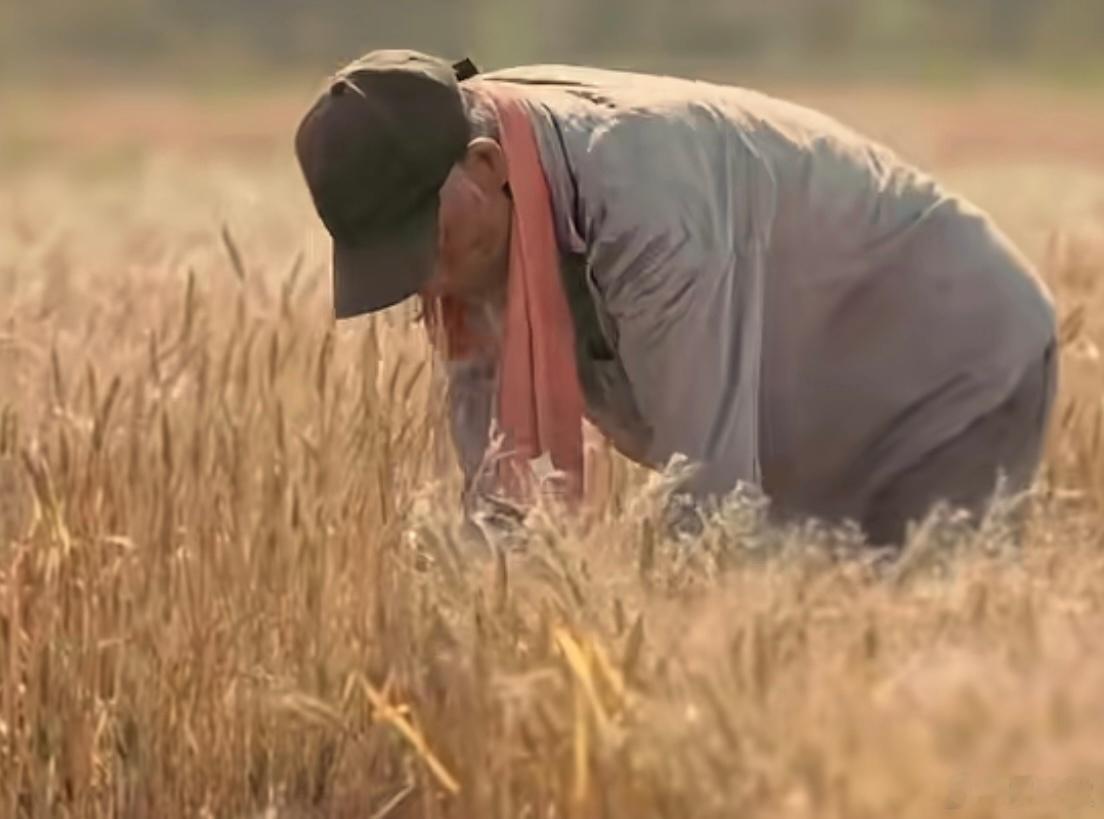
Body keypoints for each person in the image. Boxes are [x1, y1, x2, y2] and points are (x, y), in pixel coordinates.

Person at [293, 49, 1058, 546]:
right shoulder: (480, 192)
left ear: (487, 167)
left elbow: (714, 501)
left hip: (945, 374)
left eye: (420, 245)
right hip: (812, 403)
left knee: (906, 668)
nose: (421, 281)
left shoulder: (645, 209)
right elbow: (496, 485)